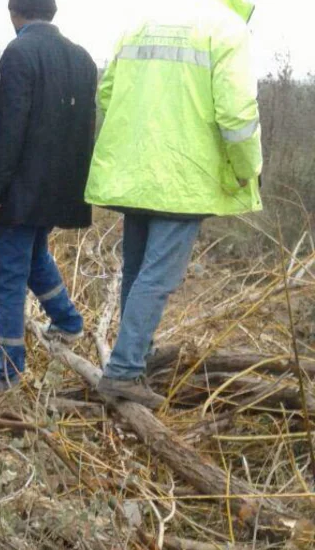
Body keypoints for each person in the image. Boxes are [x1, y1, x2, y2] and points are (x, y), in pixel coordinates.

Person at [87, 0, 263, 409]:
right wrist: (246, 168)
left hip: (135, 171)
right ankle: (124, 370)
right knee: (158, 277)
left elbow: (107, 94)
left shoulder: (143, 21)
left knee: (137, 271)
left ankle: (136, 354)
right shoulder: (226, 28)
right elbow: (237, 115)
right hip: (183, 176)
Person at [0, 0, 97, 393]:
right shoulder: (83, 59)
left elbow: (9, 130)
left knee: (8, 278)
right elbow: (85, 131)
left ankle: (7, 371)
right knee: (36, 256)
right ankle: (68, 323)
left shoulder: (20, 52)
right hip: (58, 189)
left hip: (20, 191)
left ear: (14, 13)